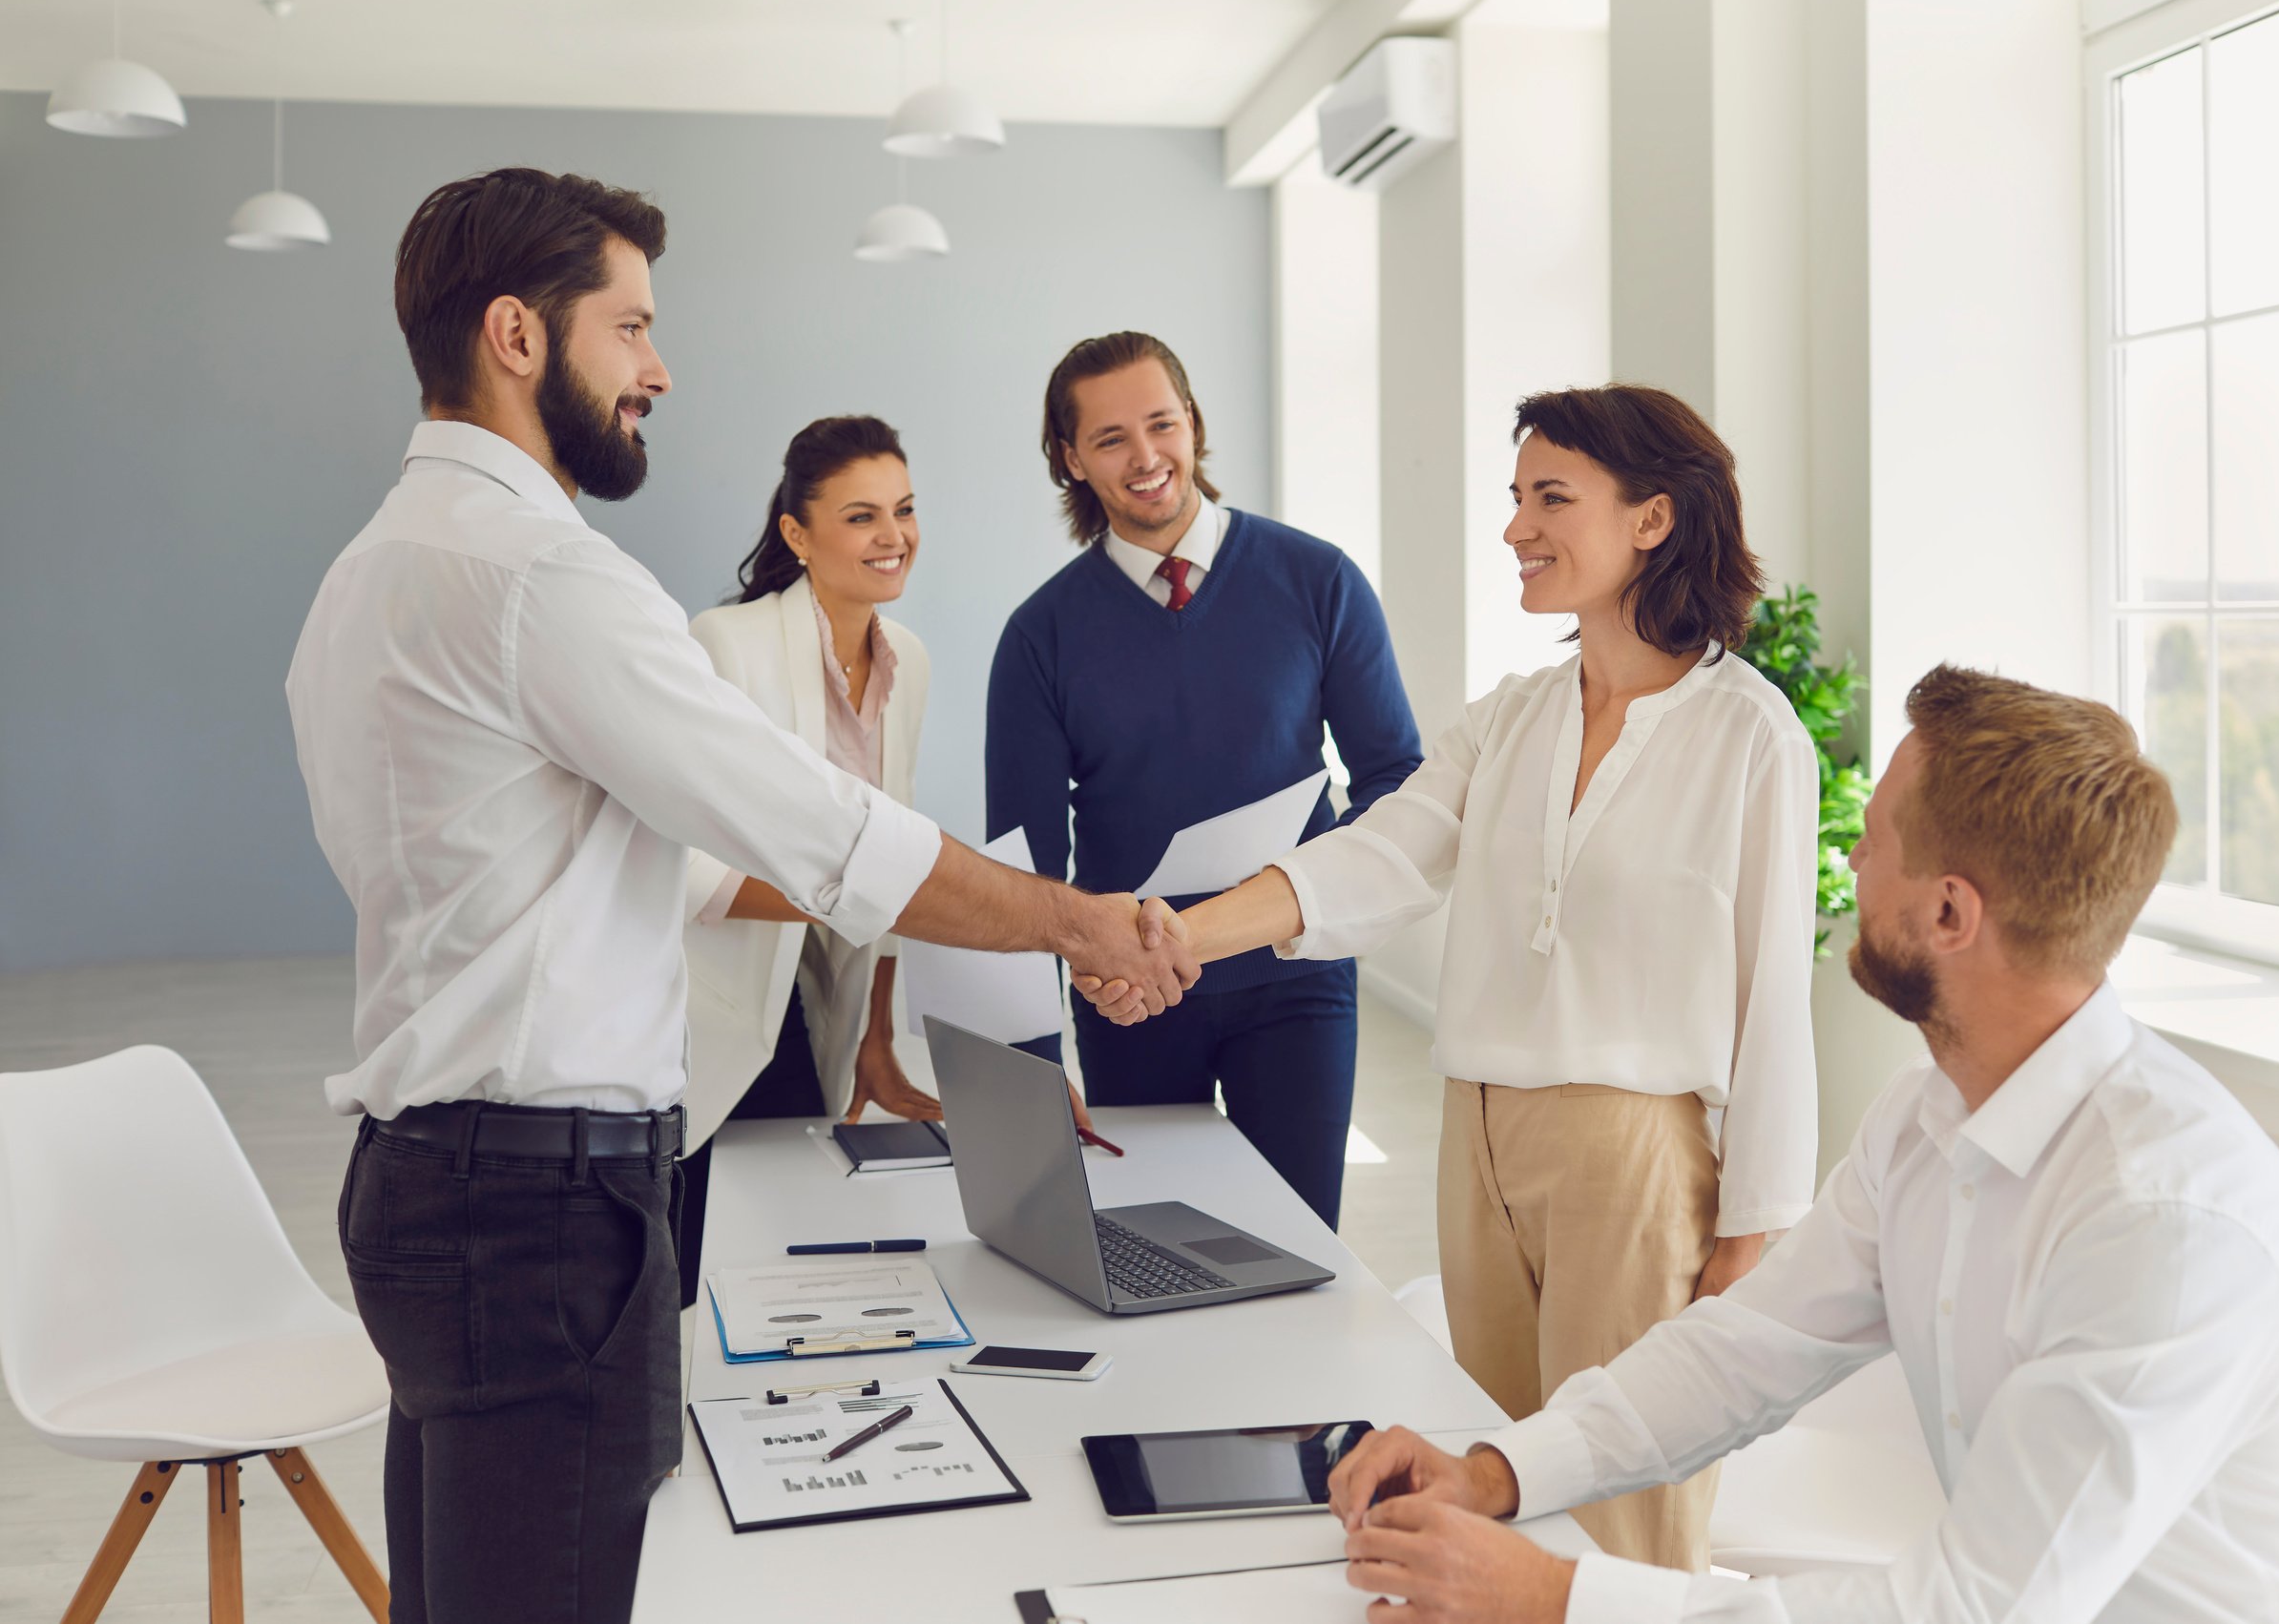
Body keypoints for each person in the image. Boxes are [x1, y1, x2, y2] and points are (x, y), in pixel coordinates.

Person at [286, 168, 1194, 1624]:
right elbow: (826, 835)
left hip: (425, 1175)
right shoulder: (545, 581)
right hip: (538, 1207)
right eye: (630, 326)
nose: (659, 368)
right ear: (518, 334)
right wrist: (1082, 920)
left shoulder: (372, 570)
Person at [1314, 666, 2279, 1624]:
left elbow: (1963, 1612)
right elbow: (1739, 1352)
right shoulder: (1929, 1115)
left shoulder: (2165, 1226)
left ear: (1950, 914)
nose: (1847, 854)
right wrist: (1499, 1470)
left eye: (1876, 838)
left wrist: (1550, 1598)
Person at [1087, 384, 1820, 1571]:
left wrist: (1754, 1231)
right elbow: (1378, 855)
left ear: (1653, 519)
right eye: (1516, 497)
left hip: (1633, 1157)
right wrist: (1180, 934)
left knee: (1623, 1512)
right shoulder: (1514, 715)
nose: (1517, 526)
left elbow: (1774, 999)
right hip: (1477, 1136)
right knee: (1492, 1477)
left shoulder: (1752, 734)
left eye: (1551, 498)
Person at [988, 330, 1422, 1229]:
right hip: (1130, 997)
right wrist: (1031, 1062)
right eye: (1110, 439)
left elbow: (1392, 782)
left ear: (1194, 425)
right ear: (1071, 460)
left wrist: (1326, 906)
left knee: (1300, 1248)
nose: (1146, 458)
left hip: (1295, 981)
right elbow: (1023, 869)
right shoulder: (1040, 637)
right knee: (1156, 1245)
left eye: (1162, 424)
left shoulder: (1318, 581)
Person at [672, 416, 1097, 1307]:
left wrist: (873, 1040)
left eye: (903, 511)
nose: (893, 536)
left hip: (823, 997)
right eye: (861, 516)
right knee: (714, 1244)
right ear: (797, 533)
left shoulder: (908, 659)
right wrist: (866, 900)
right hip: (722, 998)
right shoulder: (727, 643)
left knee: (786, 1235)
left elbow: (888, 837)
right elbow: (688, 869)